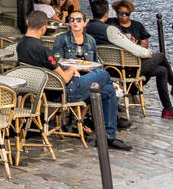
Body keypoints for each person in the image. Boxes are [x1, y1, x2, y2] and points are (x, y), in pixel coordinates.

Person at [19, 11, 131, 151]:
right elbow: (65, 78)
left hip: (41, 91)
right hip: (63, 92)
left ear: (27, 23)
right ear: (44, 28)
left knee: (107, 91)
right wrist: (72, 69)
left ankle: (108, 136)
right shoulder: (42, 50)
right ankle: (108, 130)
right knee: (103, 75)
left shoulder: (21, 45)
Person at [107, 0, 173, 119]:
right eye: (121, 13)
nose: (124, 16)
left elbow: (145, 47)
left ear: (131, 14)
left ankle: (168, 109)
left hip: (138, 63)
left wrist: (135, 45)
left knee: (163, 70)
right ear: (116, 13)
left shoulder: (137, 26)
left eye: (127, 14)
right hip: (124, 67)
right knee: (161, 56)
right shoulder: (111, 25)